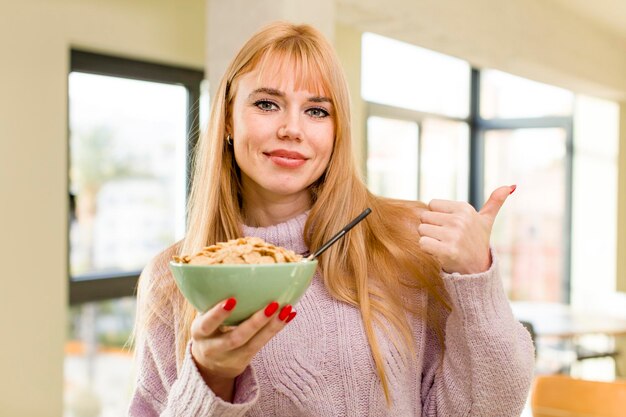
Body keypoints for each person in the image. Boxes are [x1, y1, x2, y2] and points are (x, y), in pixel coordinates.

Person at [129, 21, 534, 417]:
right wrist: (211, 377)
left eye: (317, 111)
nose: (292, 129)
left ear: (338, 130)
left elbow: (490, 408)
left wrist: (477, 278)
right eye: (267, 104)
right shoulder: (172, 279)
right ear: (230, 119)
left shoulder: (406, 241)